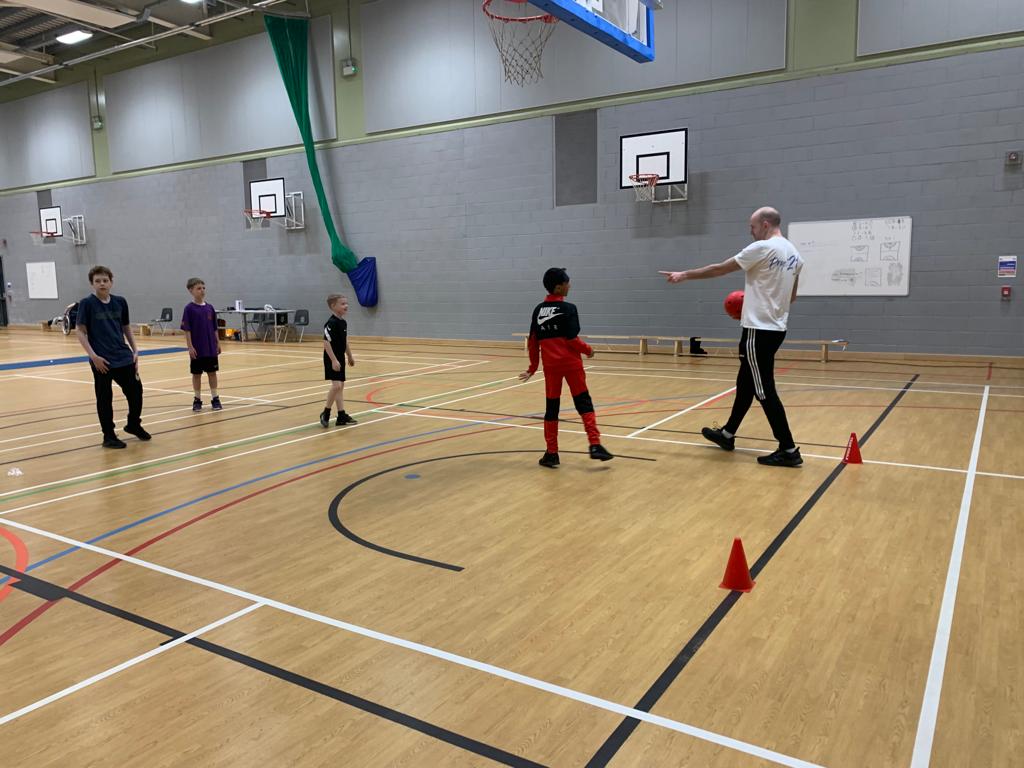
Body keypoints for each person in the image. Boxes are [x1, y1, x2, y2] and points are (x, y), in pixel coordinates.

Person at [659, 206, 804, 467]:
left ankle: (789, 449)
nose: (751, 231)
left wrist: (684, 275)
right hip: (776, 329)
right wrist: (763, 303)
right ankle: (727, 434)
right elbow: (791, 297)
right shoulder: (795, 254)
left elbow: (720, 269)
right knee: (745, 383)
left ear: (766, 224)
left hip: (758, 331)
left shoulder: (762, 248)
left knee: (764, 390)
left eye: (752, 226)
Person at [519, 268, 613, 468]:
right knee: (583, 402)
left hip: (551, 368)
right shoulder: (569, 308)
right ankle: (595, 444)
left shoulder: (538, 310)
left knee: (552, 408)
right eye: (567, 282)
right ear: (558, 287)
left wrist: (533, 367)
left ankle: (552, 453)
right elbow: (571, 340)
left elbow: (533, 342)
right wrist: (588, 350)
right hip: (572, 365)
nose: (570, 285)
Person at [75, 265, 150, 449]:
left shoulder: (120, 302)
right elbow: (80, 331)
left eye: (105, 280)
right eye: (98, 281)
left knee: (136, 392)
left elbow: (126, 327)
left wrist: (135, 350)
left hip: (123, 356)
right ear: (92, 284)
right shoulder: (87, 304)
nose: (102, 284)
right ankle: (108, 435)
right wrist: (93, 356)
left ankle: (133, 424)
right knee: (104, 398)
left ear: (111, 282)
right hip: (102, 360)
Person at [181, 277, 222, 411]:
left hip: (210, 348)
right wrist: (190, 347)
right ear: (191, 290)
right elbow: (187, 329)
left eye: (203, 288)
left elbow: (214, 328)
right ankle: (197, 399)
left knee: (212, 373)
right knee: (196, 374)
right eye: (198, 288)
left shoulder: (210, 308)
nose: (202, 290)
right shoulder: (189, 309)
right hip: (197, 349)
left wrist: (218, 343)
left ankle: (215, 398)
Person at [321, 294, 357, 428]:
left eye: (346, 303)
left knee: (340, 386)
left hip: (340, 357)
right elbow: (326, 342)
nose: (346, 306)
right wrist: (334, 360)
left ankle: (341, 415)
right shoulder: (331, 323)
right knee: (336, 386)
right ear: (333, 306)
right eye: (342, 304)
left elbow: (344, 341)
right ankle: (326, 413)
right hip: (331, 358)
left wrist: (350, 356)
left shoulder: (343, 322)